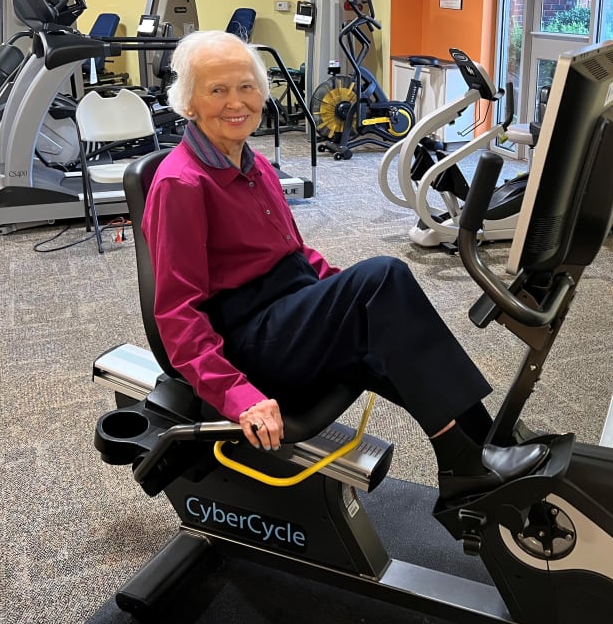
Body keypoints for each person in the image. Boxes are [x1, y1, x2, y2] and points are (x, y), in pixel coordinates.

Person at [141, 30, 547, 506]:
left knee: (386, 323)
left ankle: (480, 444)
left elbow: (294, 255)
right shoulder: (181, 185)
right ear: (188, 102)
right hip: (248, 341)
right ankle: (468, 461)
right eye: (217, 90)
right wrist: (238, 395)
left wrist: (350, 298)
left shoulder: (255, 165)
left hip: (287, 314)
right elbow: (177, 313)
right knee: (383, 277)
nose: (237, 102)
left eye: (247, 86)